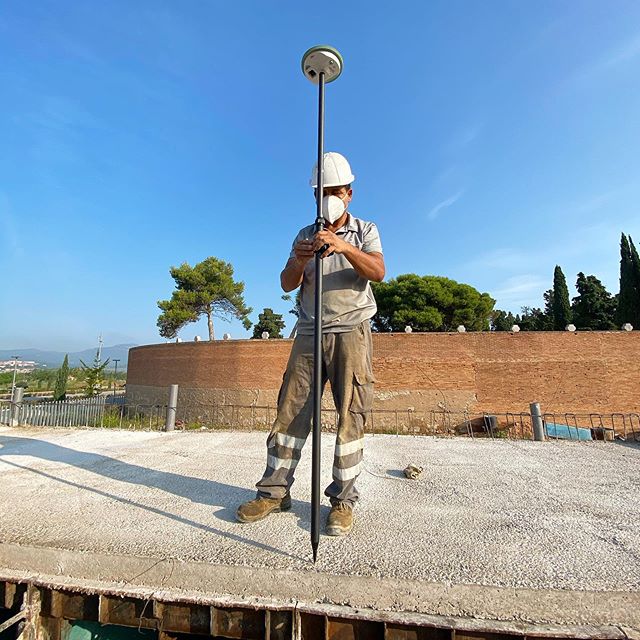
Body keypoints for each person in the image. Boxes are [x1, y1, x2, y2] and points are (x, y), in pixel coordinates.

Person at [236, 152, 385, 536]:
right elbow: (287, 283)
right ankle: (274, 491)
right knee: (291, 411)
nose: (328, 198)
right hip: (308, 331)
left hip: (352, 330)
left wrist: (344, 247)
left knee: (351, 412)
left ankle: (342, 501)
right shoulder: (303, 235)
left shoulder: (365, 230)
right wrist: (301, 261)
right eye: (321, 192)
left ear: (349, 194)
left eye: (335, 191)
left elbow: (379, 272)